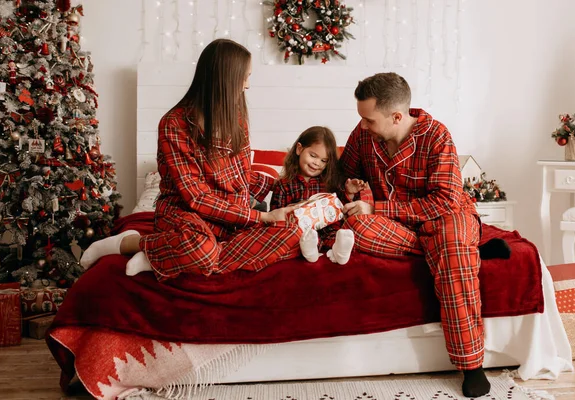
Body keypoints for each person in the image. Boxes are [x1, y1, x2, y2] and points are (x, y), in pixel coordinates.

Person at [339, 72, 509, 398]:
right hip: (401, 226)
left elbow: (444, 201)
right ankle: (469, 248)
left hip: (444, 215)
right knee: (356, 227)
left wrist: (378, 208)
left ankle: (471, 365)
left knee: (453, 252)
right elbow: (345, 173)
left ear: (397, 116)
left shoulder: (437, 136)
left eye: (369, 119)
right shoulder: (363, 137)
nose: (362, 126)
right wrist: (351, 186)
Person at [80, 39, 302, 279]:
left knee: (293, 234)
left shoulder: (236, 117)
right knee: (203, 251)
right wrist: (263, 216)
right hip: (186, 215)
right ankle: (127, 243)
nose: (247, 85)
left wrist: (288, 187)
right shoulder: (174, 124)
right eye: (244, 77)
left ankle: (163, 256)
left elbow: (242, 175)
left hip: (232, 217)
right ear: (224, 79)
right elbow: (197, 198)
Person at [270, 126, 368, 265]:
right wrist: (288, 216)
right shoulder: (284, 184)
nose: (317, 163)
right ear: (299, 149)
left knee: (337, 233)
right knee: (294, 237)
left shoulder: (328, 182)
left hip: (327, 228)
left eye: (323, 160)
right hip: (300, 230)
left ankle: (340, 251)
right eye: (313, 156)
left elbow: (341, 207)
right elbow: (274, 214)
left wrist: (349, 192)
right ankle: (310, 250)